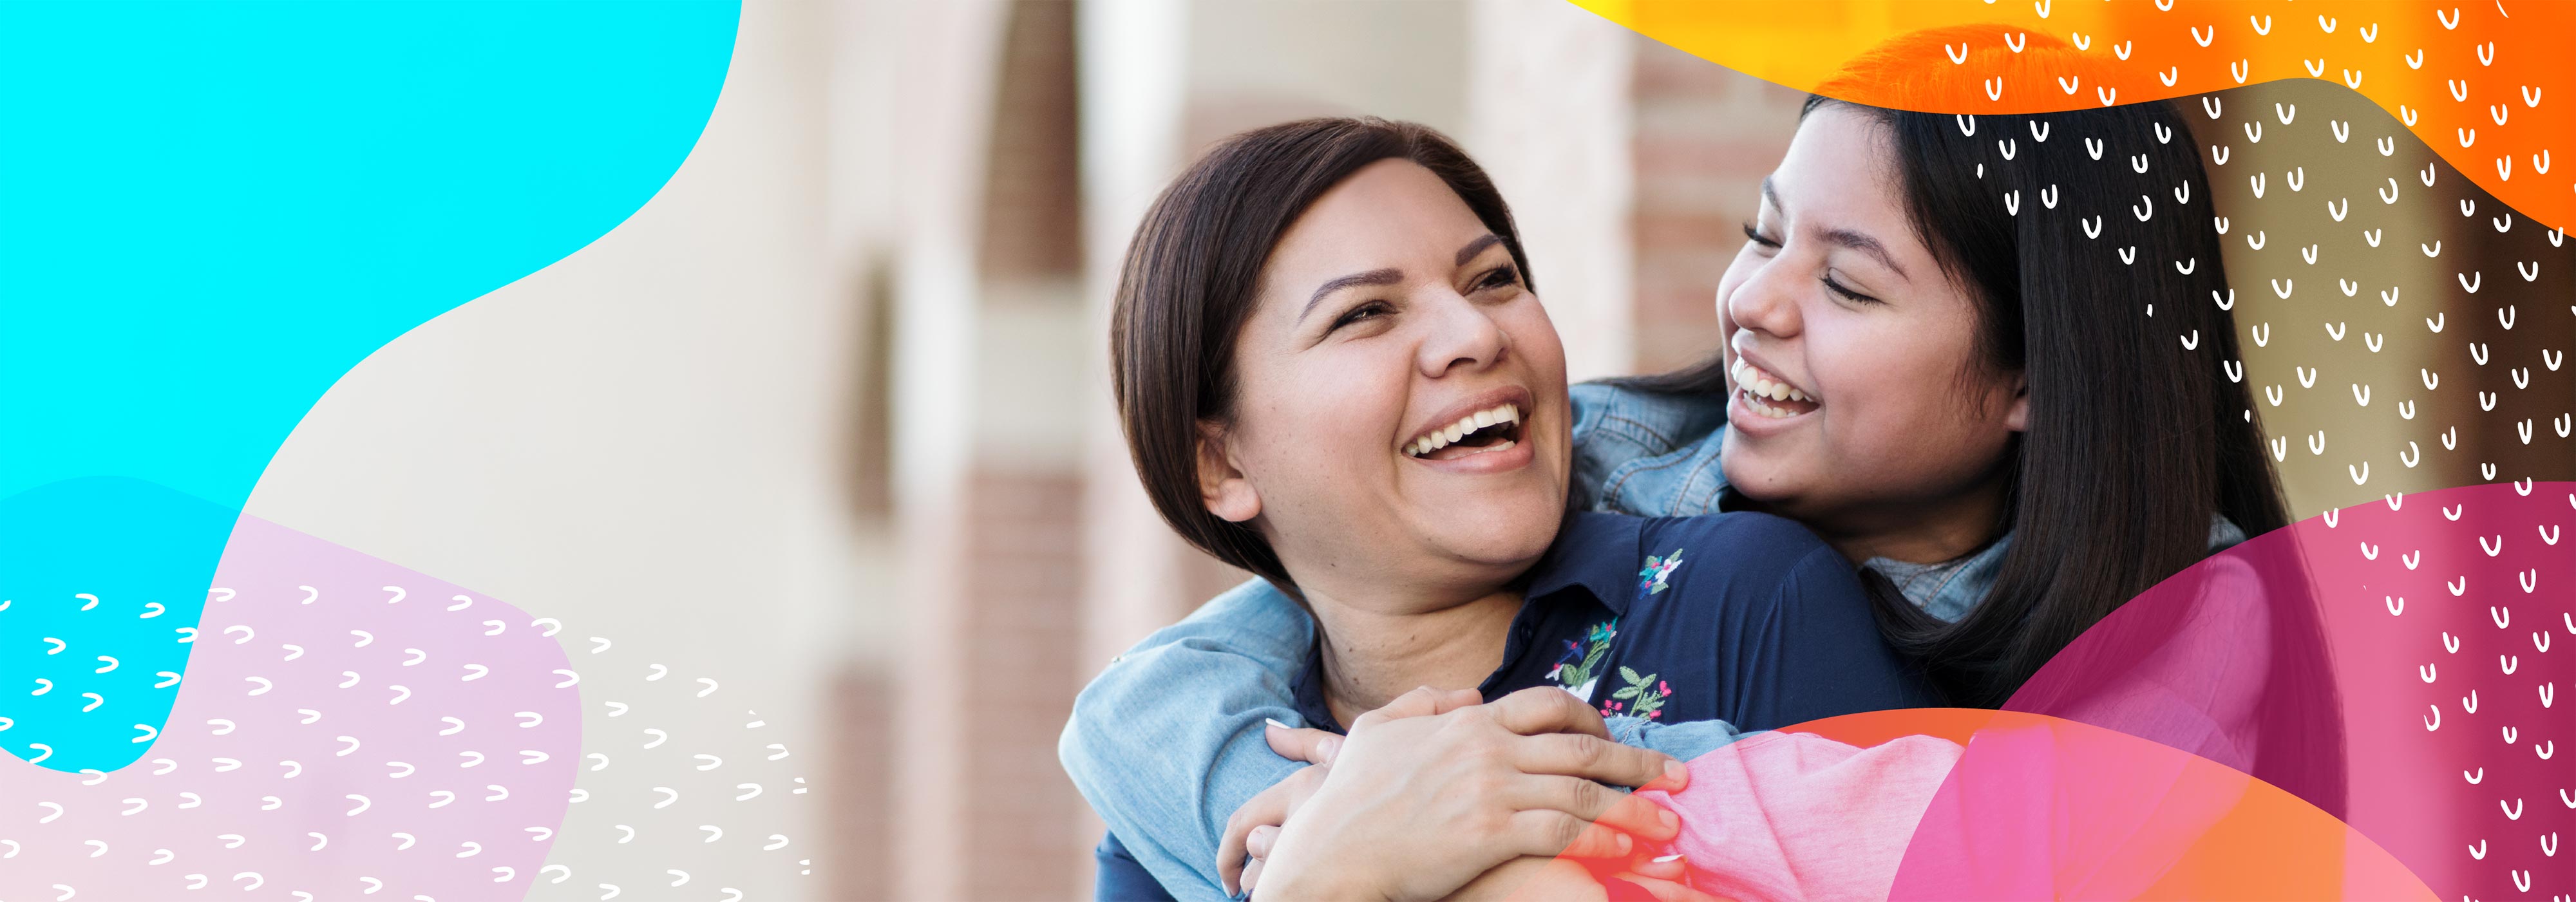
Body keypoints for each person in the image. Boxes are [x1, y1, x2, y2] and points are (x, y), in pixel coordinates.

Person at [1066, 26, 2344, 902]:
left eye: (1848, 284)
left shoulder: (2184, 631)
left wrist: (1472, 803)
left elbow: (1989, 861)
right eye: (1762, 235)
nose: (1752, 303)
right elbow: (1195, 668)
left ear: (2036, 380)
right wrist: (1328, 828)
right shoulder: (1618, 458)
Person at [1070, 115, 1944, 901]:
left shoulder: (1747, 598)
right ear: (1220, 463)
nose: (1477, 333)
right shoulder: (1172, 804)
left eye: (1492, 279)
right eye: (1365, 313)